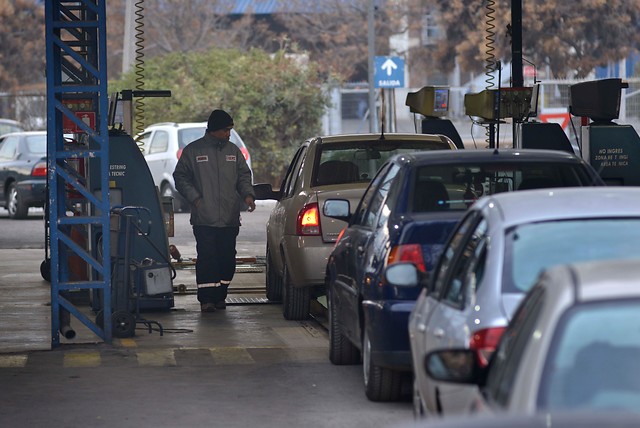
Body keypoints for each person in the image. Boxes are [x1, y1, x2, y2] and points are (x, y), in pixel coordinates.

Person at [173, 109, 256, 312]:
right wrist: (196, 199)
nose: (229, 134)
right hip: (204, 218)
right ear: (214, 130)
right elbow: (180, 177)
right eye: (226, 130)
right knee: (208, 258)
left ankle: (221, 295)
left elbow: (244, 176)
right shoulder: (193, 152)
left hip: (229, 218)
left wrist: (248, 195)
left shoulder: (233, 152)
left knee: (227, 259)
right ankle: (207, 299)